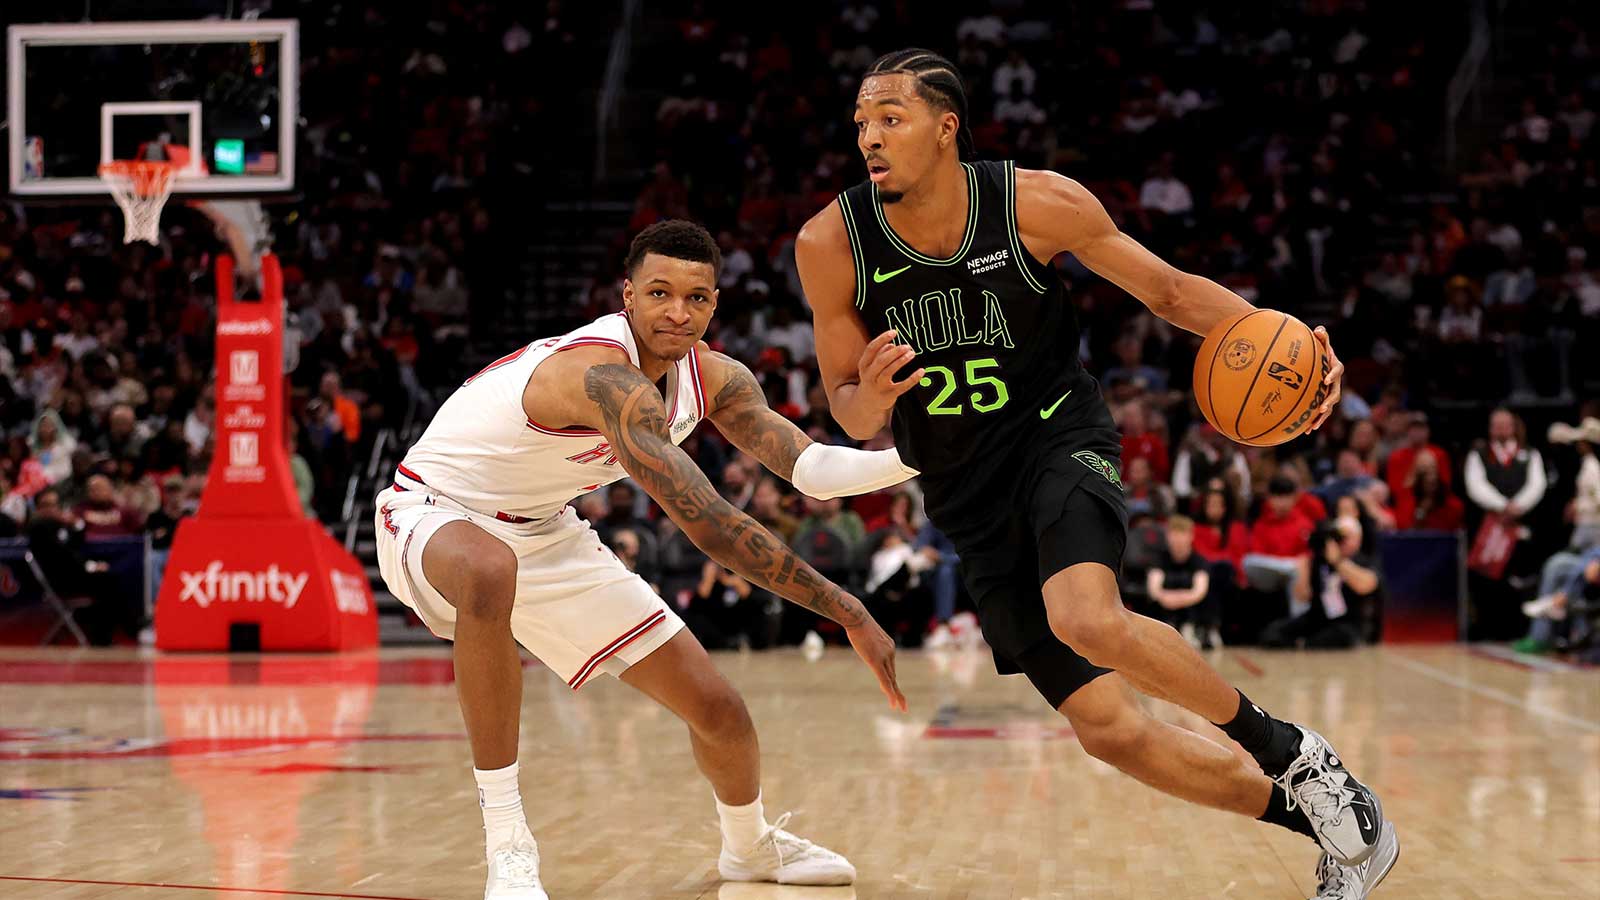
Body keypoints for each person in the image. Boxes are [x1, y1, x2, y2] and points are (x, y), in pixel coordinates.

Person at [794, 49, 1393, 898]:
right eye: (861, 122)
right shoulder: (829, 241)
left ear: (945, 127)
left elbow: (1175, 294)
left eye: (890, 117)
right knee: (1110, 732)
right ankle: (1337, 822)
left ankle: (1293, 752)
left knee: (1086, 615)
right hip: (963, 487)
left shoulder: (1036, 202)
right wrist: (873, 400)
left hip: (1053, 433)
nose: (869, 137)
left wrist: (1288, 336)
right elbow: (848, 407)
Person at [374, 221, 912, 900]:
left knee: (719, 710)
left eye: (696, 297)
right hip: (433, 511)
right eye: (659, 293)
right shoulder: (603, 377)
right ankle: (508, 844)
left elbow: (811, 468)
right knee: (488, 572)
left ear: (716, 304)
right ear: (627, 295)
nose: (677, 312)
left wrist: (916, 459)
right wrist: (848, 610)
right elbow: (712, 526)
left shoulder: (714, 376)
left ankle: (747, 848)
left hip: (544, 530)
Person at [1261, 517, 1383, 649]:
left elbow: (1366, 585)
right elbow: (1301, 596)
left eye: (1347, 537)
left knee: (1341, 636)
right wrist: (1303, 571)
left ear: (1358, 540)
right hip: (1318, 618)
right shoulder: (1319, 561)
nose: (1342, 542)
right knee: (1273, 631)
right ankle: (1303, 644)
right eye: (1338, 537)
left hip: (1346, 623)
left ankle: (1303, 644)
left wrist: (1338, 562)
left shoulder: (1364, 561)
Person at [1146, 516, 1220, 649]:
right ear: (1168, 536)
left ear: (1191, 536)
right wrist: (1166, 598)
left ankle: (1197, 629)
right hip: (1165, 609)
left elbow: (1199, 591)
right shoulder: (1159, 559)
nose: (1178, 539)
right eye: (1174, 534)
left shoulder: (1199, 561)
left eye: (1182, 535)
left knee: (1206, 593)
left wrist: (1178, 598)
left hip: (1192, 609)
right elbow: (1154, 589)